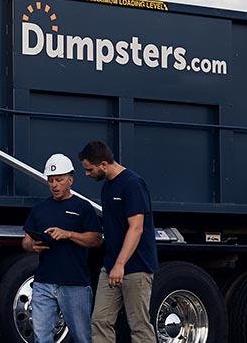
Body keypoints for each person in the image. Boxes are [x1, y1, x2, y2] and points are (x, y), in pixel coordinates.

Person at [79, 141, 158, 343]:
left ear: (104, 164)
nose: (87, 174)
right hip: (111, 266)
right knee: (100, 320)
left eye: (90, 169)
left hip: (136, 267)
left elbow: (137, 227)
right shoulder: (107, 188)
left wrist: (121, 264)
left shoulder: (132, 184)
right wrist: (114, 265)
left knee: (139, 325)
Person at [23, 153, 103, 343]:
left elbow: (96, 240)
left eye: (59, 180)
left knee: (82, 337)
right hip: (44, 282)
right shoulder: (39, 209)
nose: (54, 185)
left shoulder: (82, 207)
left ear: (70, 180)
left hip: (74, 284)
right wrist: (32, 245)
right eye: (51, 180)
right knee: (42, 339)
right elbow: (25, 240)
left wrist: (68, 234)